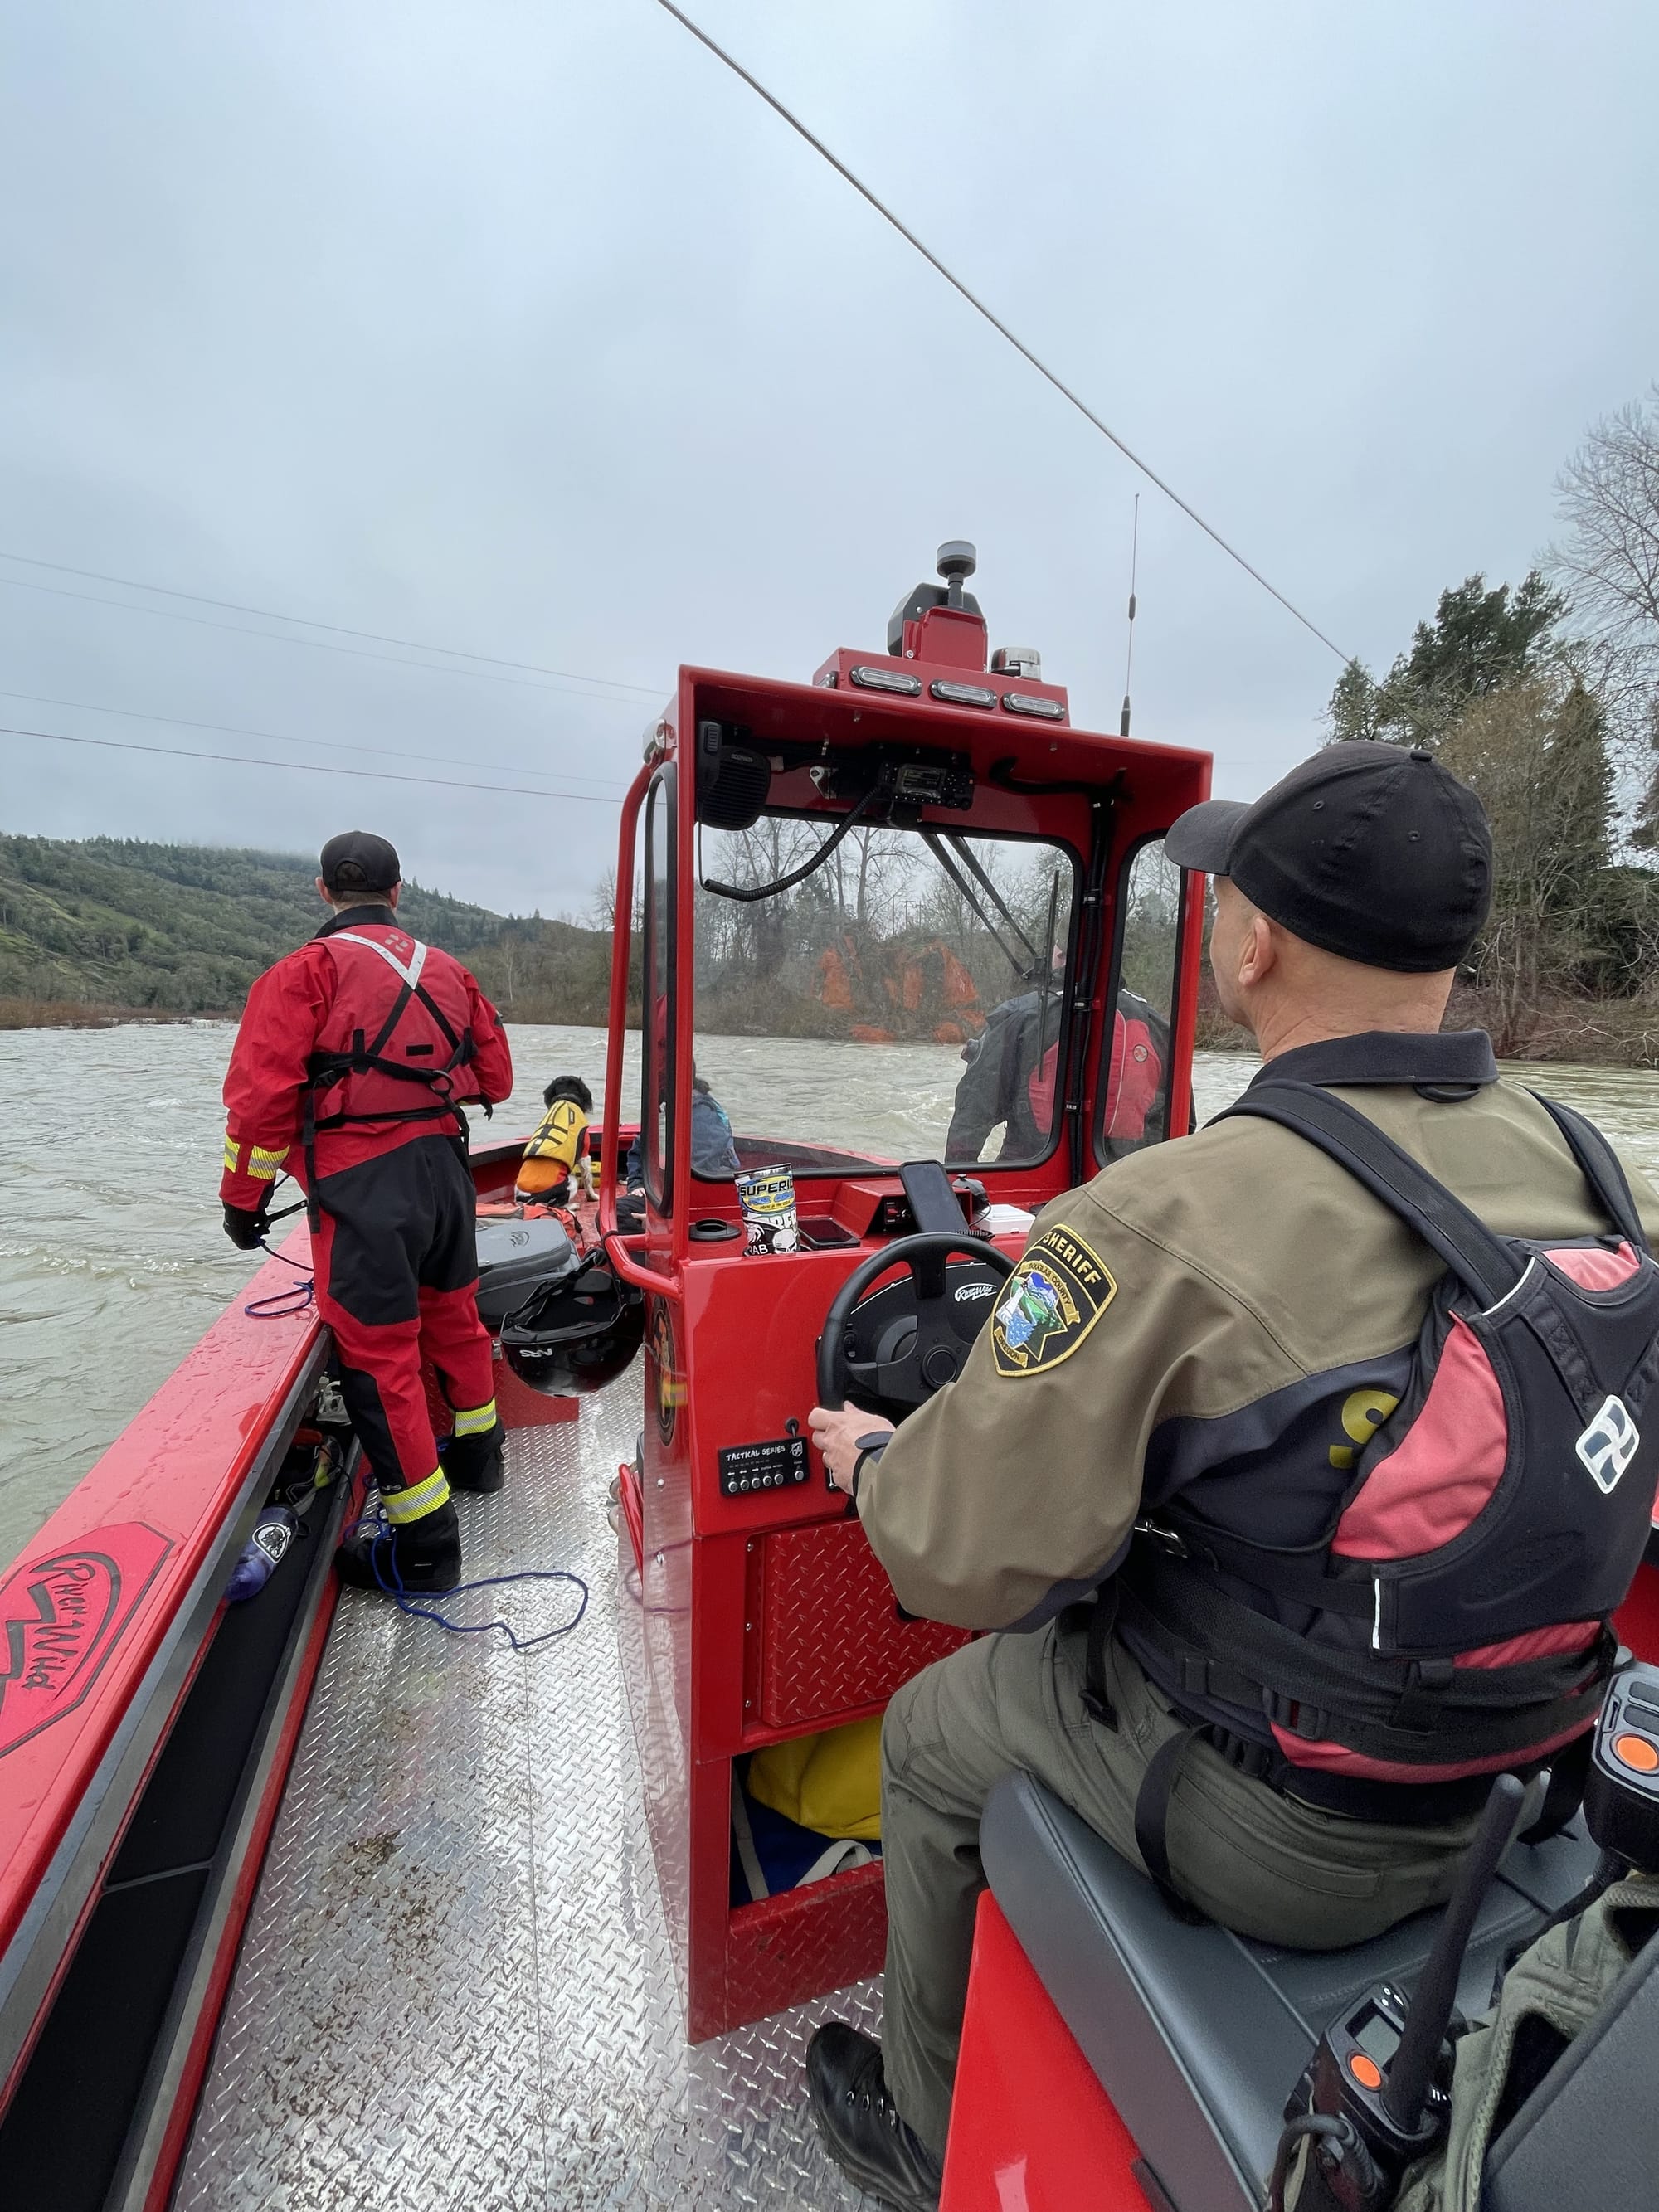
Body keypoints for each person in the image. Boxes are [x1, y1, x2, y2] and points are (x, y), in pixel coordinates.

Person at [803, 741, 1659, 2210]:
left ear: (1254, 943)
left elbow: (960, 1559)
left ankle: (922, 2138)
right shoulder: (1583, 1162)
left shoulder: (1163, 1211)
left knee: (936, 1728)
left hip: (1297, 1838)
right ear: (1450, 956)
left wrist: (883, 1459)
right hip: (1537, 1768)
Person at [220, 831, 513, 1596]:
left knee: (380, 1360)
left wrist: (243, 1203)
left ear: (323, 890)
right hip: (445, 1174)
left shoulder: (300, 974)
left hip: (364, 1190)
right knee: (456, 1318)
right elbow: (497, 1078)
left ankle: (425, 1548)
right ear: (398, 890)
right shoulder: (450, 971)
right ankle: (480, 1460)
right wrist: (420, 1083)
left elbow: (259, 1109)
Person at [623, 1065, 741, 1189]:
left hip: (705, 1190)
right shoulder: (674, 1109)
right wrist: (637, 1184)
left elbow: (703, 1168)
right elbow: (641, 1145)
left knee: (622, 1204)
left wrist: (656, 1187)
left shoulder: (702, 1116)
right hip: (672, 1186)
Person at [516, 1073, 594, 1205]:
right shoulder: (579, 1124)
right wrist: (590, 1193)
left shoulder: (548, 1120)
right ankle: (560, 1204)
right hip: (552, 1192)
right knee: (573, 1181)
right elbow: (584, 1162)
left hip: (521, 1192)